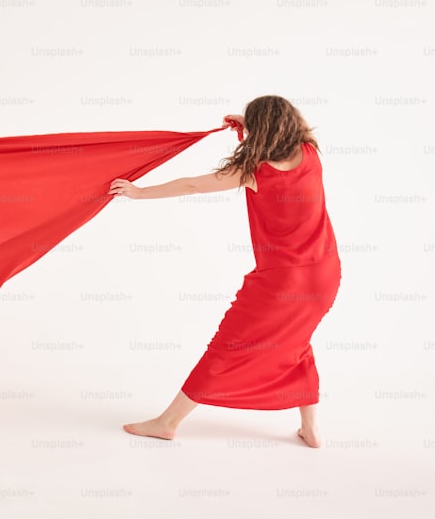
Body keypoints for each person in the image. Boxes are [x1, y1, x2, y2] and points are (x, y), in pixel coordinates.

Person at [108, 96, 340, 448]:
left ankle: (167, 422)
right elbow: (296, 123)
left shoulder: (252, 172)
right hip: (325, 275)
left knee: (226, 347)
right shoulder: (310, 151)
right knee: (298, 342)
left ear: (258, 130)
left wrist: (139, 193)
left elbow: (192, 185)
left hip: (281, 282)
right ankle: (310, 429)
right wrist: (249, 122)